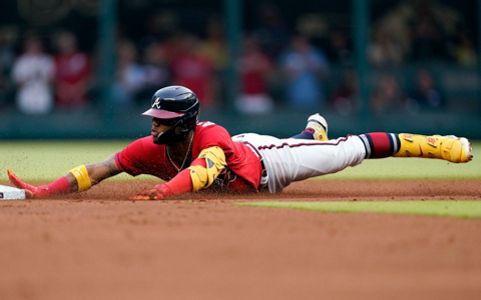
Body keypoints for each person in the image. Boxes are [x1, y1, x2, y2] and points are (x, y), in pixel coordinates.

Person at [7, 85, 473, 200]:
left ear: (184, 122)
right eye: (154, 118)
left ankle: (438, 145)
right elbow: (99, 169)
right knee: (304, 141)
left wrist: (164, 192)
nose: (154, 126)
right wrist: (44, 191)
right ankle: (310, 133)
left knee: (351, 150)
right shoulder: (149, 148)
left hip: (268, 165)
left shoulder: (210, 137)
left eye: (163, 120)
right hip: (249, 151)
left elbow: (206, 170)